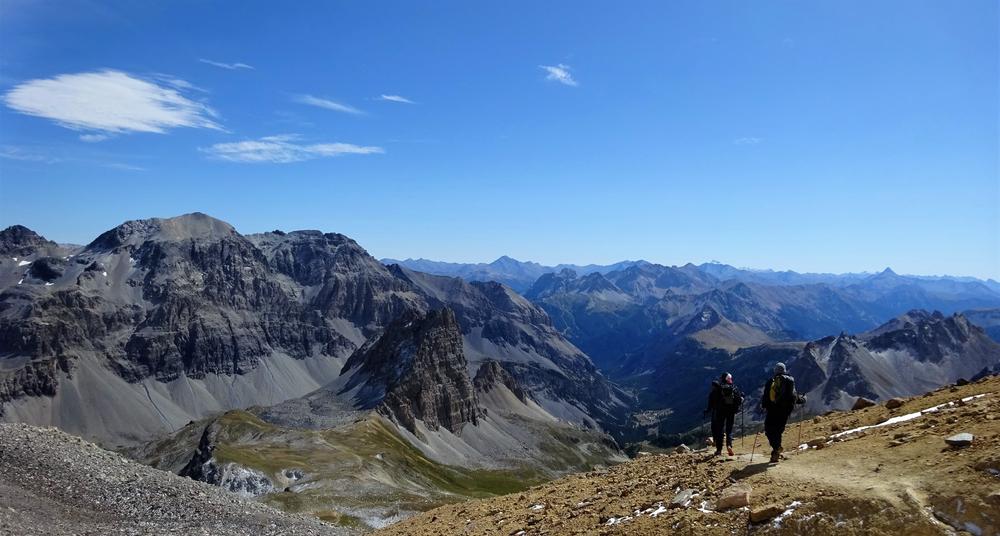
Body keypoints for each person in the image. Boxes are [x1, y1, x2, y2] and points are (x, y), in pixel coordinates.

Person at [760, 362, 806, 463]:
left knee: (769, 430)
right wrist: (803, 399)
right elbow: (794, 397)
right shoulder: (790, 382)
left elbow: (766, 398)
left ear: (775, 371)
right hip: (785, 412)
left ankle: (776, 448)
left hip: (773, 411)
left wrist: (763, 406)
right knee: (778, 431)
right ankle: (776, 453)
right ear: (784, 370)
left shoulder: (771, 382)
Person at [704, 372, 743, 456]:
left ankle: (719, 450)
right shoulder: (734, 388)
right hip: (731, 412)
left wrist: (708, 410)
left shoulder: (718, 388)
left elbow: (712, 399)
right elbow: (739, 400)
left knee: (720, 430)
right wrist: (742, 397)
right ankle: (729, 445)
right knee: (729, 430)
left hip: (720, 412)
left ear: (722, 379)